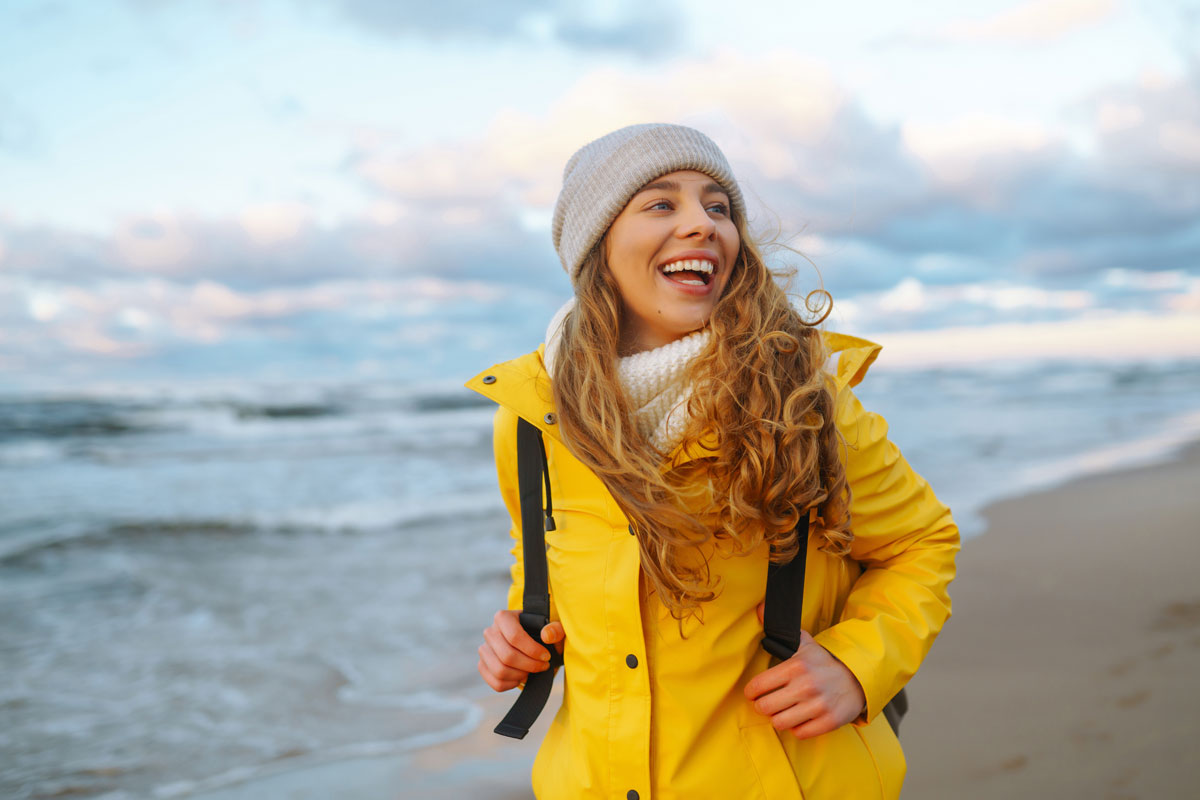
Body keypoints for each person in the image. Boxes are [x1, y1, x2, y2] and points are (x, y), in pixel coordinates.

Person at [466, 123, 960, 799]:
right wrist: (520, 636)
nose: (703, 224)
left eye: (719, 207)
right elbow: (543, 574)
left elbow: (920, 544)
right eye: (662, 204)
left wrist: (856, 667)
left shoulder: (803, 397)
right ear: (597, 242)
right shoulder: (531, 418)